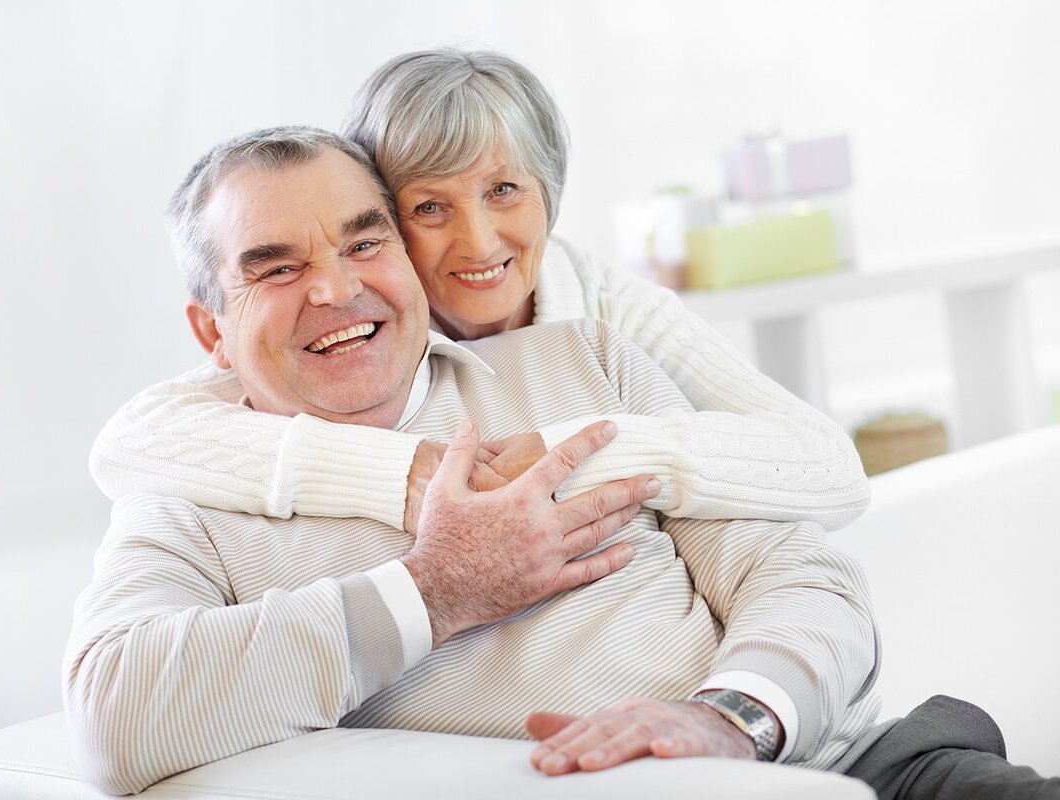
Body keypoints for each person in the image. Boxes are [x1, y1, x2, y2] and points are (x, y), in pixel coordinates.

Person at [64, 128, 883, 795]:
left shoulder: (586, 358)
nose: (333, 290)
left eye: (363, 242)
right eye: (276, 267)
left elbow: (800, 577)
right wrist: (434, 592)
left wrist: (730, 719)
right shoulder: (187, 494)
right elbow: (115, 714)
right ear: (211, 333)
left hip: (825, 763)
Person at [87, 49, 870, 538]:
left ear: (548, 194)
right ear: (382, 221)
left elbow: (829, 464)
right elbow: (129, 443)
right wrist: (406, 476)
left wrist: (588, 454)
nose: (480, 242)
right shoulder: (346, 332)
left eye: (504, 190)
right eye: (429, 207)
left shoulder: (608, 310)